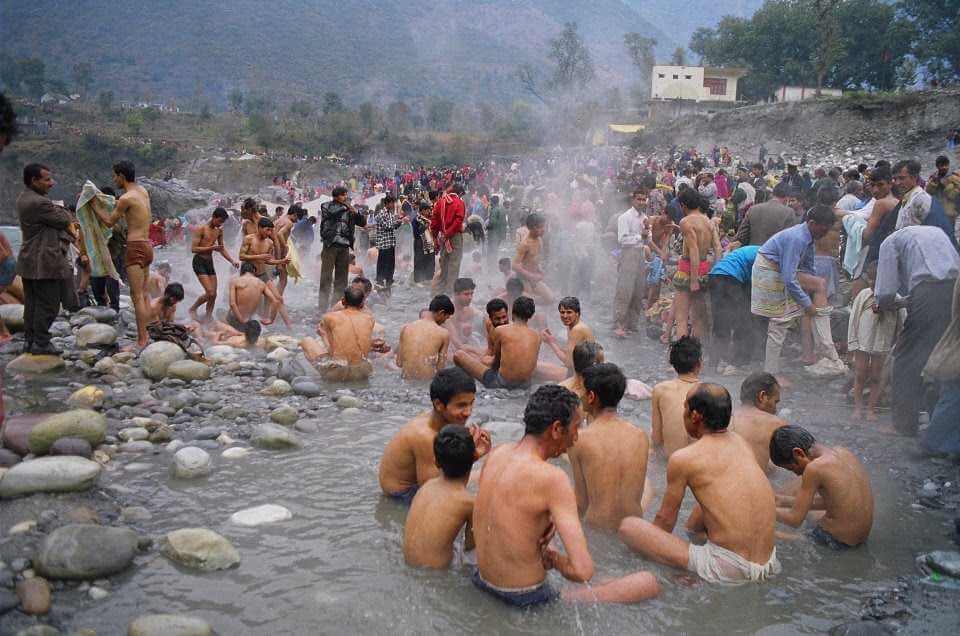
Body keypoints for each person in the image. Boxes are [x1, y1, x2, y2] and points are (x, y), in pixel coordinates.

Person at [473, 384, 659, 606]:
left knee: (609, 580)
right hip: (524, 599)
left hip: (481, 583)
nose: (576, 437)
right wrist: (555, 560)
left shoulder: (498, 454)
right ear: (556, 429)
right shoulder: (553, 478)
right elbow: (582, 571)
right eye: (576, 427)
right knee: (648, 582)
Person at [619, 383, 780, 585]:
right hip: (768, 564)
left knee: (630, 527)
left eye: (685, 407)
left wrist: (647, 546)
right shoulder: (741, 443)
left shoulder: (685, 458)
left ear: (695, 416)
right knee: (696, 520)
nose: (683, 412)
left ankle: (687, 576)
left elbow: (665, 522)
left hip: (729, 568)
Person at [875, 225, 960, 435]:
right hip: (955, 288)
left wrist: (883, 305)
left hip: (928, 292)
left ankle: (903, 425)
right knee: (945, 354)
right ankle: (940, 422)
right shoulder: (935, 231)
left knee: (906, 359)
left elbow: (885, 292)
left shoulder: (890, 242)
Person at [751, 205, 843, 380]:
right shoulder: (798, 238)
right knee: (780, 321)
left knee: (819, 284)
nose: (825, 233)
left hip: (779, 270)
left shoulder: (808, 236)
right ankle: (771, 374)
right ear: (812, 223)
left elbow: (808, 267)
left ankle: (827, 352)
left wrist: (812, 296)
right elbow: (788, 276)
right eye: (823, 229)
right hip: (769, 270)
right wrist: (807, 304)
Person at [379, 367, 489, 505]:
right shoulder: (425, 436)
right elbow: (434, 490)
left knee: (491, 465)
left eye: (471, 403)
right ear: (439, 404)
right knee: (485, 477)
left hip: (418, 487)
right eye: (461, 405)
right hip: (401, 496)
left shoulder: (442, 421)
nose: (468, 412)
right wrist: (471, 456)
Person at [568, 363, 651, 530]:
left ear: (591, 396)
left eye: (583, 391)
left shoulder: (579, 440)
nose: (581, 395)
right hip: (633, 530)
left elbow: (581, 503)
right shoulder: (640, 436)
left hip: (598, 531)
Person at [770, 426, 874, 549]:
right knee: (812, 513)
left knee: (772, 535)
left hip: (837, 542)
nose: (797, 474)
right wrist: (783, 501)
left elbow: (795, 520)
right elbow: (837, 501)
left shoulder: (814, 468)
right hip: (861, 538)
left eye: (792, 468)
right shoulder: (844, 452)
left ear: (798, 453)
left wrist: (766, 510)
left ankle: (797, 537)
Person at [15, 163, 76, 355]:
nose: (51, 183)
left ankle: (30, 340)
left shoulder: (24, 198)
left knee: (32, 302)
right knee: (48, 303)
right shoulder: (40, 203)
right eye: (47, 179)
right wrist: (61, 209)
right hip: (43, 260)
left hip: (29, 260)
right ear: (34, 180)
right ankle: (41, 342)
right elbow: (65, 220)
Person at [90, 161, 152, 348]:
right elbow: (130, 209)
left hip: (135, 247)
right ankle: (150, 331)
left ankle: (142, 340)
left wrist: (93, 204)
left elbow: (109, 222)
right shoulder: (142, 192)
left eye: (115, 176)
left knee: (137, 296)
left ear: (122, 176)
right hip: (148, 246)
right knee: (145, 294)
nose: (114, 179)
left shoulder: (126, 198)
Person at [403, 425, 477, 569]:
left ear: (436, 462)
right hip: (437, 573)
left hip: (408, 562)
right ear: (474, 458)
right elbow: (470, 547)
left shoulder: (427, 486)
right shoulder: (469, 502)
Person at [847, 261, 902, 421]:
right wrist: (852, 343)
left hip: (881, 343)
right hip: (863, 342)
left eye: (876, 281)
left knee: (877, 376)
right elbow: (854, 319)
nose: (872, 284)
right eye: (870, 280)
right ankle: (858, 408)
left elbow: (901, 323)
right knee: (860, 374)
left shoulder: (895, 298)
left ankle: (871, 409)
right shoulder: (864, 295)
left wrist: (899, 342)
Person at [454, 295, 541, 390]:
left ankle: (467, 387)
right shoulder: (537, 336)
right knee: (471, 351)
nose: (502, 321)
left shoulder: (501, 330)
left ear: (512, 313)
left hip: (501, 383)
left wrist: (482, 361)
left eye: (504, 317)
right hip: (526, 385)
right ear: (531, 316)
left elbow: (495, 364)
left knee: (458, 355)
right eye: (497, 318)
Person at [672, 187, 722, 341]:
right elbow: (718, 248)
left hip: (687, 270)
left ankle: (683, 356)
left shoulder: (686, 222)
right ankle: (697, 352)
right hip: (704, 268)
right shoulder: (709, 221)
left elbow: (693, 250)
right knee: (698, 318)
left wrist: (693, 280)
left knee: (681, 318)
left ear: (683, 205)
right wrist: (715, 271)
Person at [708, 245, 761, 374]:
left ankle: (716, 362)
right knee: (744, 321)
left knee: (721, 321)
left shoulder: (756, 251)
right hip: (731, 278)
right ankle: (738, 364)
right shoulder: (767, 255)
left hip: (715, 275)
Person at [651, 336, 701, 457]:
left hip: (672, 461)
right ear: (699, 364)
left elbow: (657, 439)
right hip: (700, 462)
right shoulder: (710, 392)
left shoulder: (660, 390)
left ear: (673, 364)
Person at [318, 186, 367, 311]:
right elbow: (332, 213)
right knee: (326, 277)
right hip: (330, 245)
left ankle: (337, 305)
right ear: (336, 196)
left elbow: (362, 223)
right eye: (343, 195)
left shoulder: (349, 209)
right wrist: (347, 207)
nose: (346, 197)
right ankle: (322, 306)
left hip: (344, 246)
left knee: (342, 278)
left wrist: (356, 212)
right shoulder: (326, 206)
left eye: (346, 194)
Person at [188, 207, 239, 321]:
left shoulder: (219, 231)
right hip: (199, 261)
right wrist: (212, 247)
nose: (220, 224)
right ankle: (192, 308)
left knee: (214, 294)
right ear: (214, 217)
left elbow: (221, 249)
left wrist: (232, 261)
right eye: (220, 221)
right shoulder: (201, 229)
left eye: (222, 222)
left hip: (209, 262)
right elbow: (193, 249)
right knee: (210, 292)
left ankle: (208, 317)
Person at [729, 372, 787, 471]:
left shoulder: (724, 419)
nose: (775, 409)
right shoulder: (775, 424)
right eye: (775, 402)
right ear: (762, 396)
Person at [613, 190, 648, 338]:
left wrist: (646, 233)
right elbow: (622, 239)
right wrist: (641, 236)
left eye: (644, 199)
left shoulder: (645, 218)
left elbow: (648, 238)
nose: (641, 202)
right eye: (639, 199)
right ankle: (619, 324)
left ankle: (632, 323)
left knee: (638, 290)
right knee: (625, 289)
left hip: (640, 254)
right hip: (628, 254)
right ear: (633, 200)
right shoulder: (625, 217)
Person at [396, 295, 454, 380]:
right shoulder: (443, 333)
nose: (445, 322)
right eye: (446, 318)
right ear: (441, 313)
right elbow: (440, 369)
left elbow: (399, 363)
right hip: (426, 384)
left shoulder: (406, 328)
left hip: (405, 382)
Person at [540, 296, 595, 382]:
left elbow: (568, 363)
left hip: (583, 376)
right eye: (562, 312)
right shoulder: (571, 325)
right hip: (579, 370)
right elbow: (571, 353)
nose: (565, 316)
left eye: (569, 312)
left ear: (577, 313)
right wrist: (553, 340)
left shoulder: (577, 329)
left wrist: (550, 342)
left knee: (536, 369)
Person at [226, 262, 290, 332]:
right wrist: (271, 319)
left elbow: (232, 304)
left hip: (235, 318)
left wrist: (241, 319)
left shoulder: (235, 281)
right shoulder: (261, 284)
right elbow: (275, 301)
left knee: (222, 326)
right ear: (254, 271)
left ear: (241, 271)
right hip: (249, 321)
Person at [733, 181, 798, 247]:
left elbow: (741, 235)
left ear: (772, 194)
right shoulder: (789, 212)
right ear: (787, 198)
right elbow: (788, 240)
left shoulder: (753, 209)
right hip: (773, 254)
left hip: (752, 253)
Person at [431, 183, 466, 296]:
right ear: (459, 193)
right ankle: (450, 294)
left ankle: (438, 293)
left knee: (444, 266)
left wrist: (435, 239)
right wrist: (448, 233)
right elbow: (458, 221)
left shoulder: (440, 202)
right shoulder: (459, 203)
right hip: (454, 237)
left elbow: (434, 223)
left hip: (443, 237)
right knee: (454, 266)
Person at [512, 213, 554, 305]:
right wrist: (531, 276)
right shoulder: (525, 244)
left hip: (534, 278)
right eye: (541, 227)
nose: (544, 229)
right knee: (529, 304)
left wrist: (540, 270)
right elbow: (514, 265)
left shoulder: (539, 240)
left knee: (550, 299)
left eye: (544, 226)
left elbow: (535, 258)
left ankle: (526, 298)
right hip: (523, 279)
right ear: (533, 228)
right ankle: (517, 296)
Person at [374, 194, 406, 293]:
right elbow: (388, 226)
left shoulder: (390, 213)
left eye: (393, 203)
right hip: (384, 242)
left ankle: (389, 280)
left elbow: (394, 226)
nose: (393, 205)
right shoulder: (382, 214)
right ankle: (379, 281)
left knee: (391, 263)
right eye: (391, 203)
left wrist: (400, 221)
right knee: (383, 263)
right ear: (386, 203)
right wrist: (400, 221)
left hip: (390, 242)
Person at [559, 340, 604, 406]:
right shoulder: (568, 395)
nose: (605, 365)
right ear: (593, 368)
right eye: (602, 364)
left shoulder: (561, 389)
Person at [412, 201, 436, 284]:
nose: (428, 212)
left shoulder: (429, 219)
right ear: (421, 211)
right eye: (426, 210)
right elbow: (416, 233)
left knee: (430, 261)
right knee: (419, 262)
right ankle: (418, 280)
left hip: (429, 243)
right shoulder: (416, 219)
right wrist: (424, 227)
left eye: (429, 210)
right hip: (420, 243)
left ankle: (429, 278)